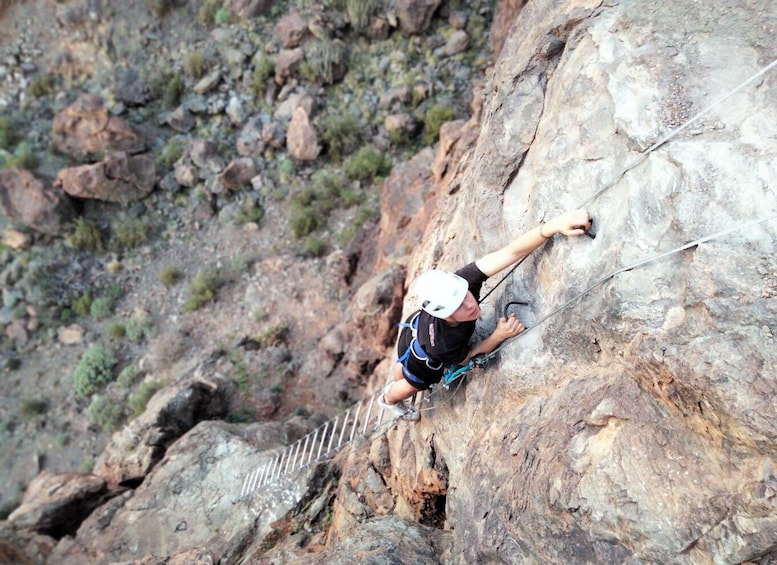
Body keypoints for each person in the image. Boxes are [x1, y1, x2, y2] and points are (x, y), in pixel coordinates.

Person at [378, 209, 592, 421]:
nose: (470, 304)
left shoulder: (462, 283)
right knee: (411, 384)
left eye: (465, 296)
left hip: (413, 333)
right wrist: (499, 335)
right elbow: (468, 356)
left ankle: (400, 371)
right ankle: (389, 400)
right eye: (458, 306)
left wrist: (555, 225)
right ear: (445, 314)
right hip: (424, 358)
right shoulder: (444, 344)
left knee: (403, 365)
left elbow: (510, 253)